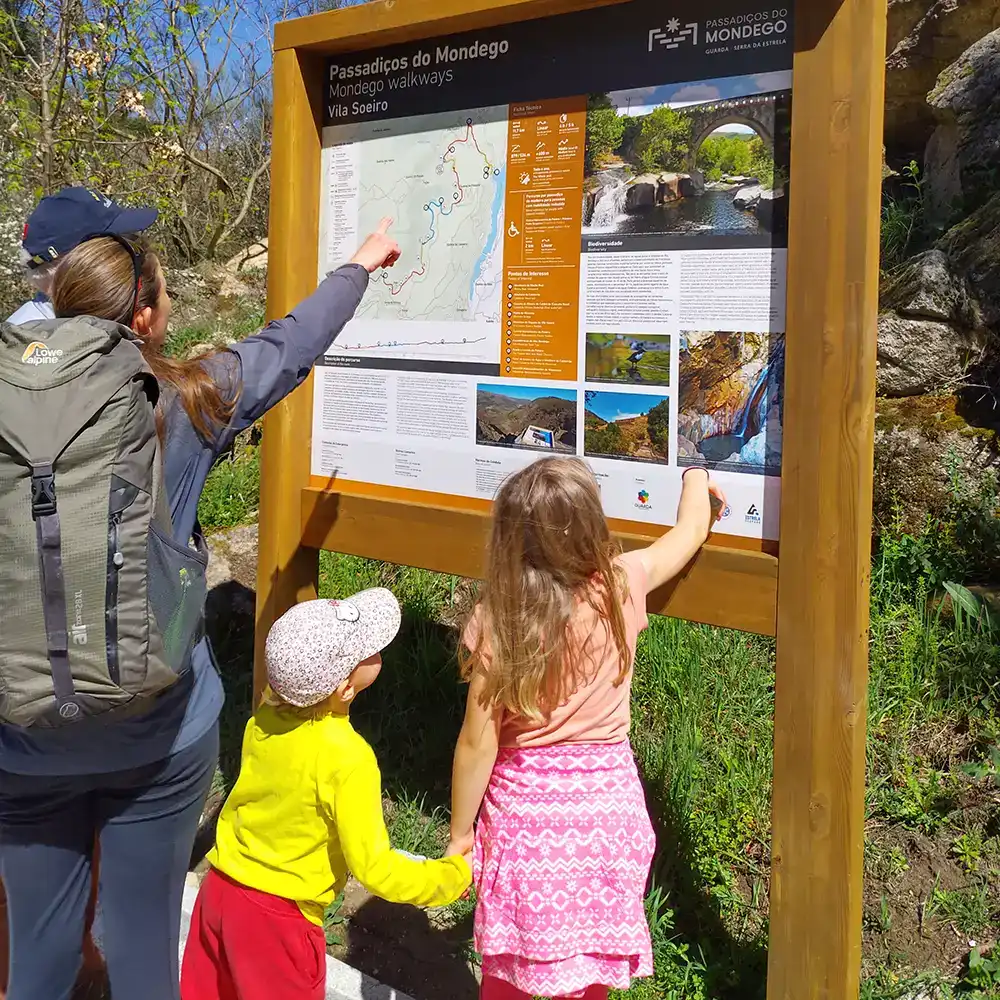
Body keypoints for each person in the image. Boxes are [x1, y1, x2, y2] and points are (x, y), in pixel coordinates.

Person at [0, 218, 400, 1000]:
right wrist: (357, 266)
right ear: (143, 316)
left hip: (23, 740)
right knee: (145, 945)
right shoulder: (181, 401)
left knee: (39, 957)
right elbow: (290, 344)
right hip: (158, 735)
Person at [448, 458, 725, 1000]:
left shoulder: (501, 615)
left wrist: (461, 835)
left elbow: (477, 742)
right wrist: (696, 478)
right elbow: (690, 532)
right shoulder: (621, 585)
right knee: (587, 979)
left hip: (527, 825)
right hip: (605, 820)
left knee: (510, 977)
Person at [181, 591, 473, 1000]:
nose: (377, 649)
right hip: (278, 923)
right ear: (345, 688)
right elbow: (376, 869)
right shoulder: (348, 759)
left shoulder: (263, 720)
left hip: (220, 895)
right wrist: (451, 876)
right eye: (366, 649)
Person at [7, 186, 157, 325]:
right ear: (76, 261)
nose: (124, 256)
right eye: (113, 246)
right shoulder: (38, 344)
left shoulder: (27, 330)